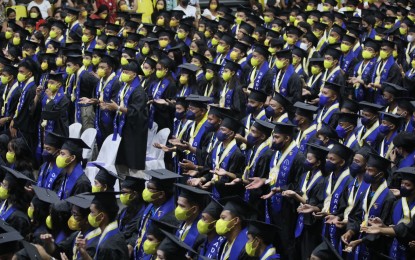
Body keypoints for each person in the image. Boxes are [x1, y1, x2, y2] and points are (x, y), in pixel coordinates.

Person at [341, 153, 395, 259]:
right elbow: (356, 216)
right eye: (366, 170)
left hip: (376, 248)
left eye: (370, 171)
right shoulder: (365, 192)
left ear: (380, 174)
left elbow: (383, 228)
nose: (367, 173)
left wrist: (361, 241)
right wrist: (350, 231)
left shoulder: (389, 197)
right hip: (359, 239)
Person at [133, 169, 181, 259]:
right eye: (147, 187)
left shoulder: (170, 216)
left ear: (161, 194)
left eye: (150, 188)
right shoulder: (151, 205)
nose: (146, 191)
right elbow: (139, 229)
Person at [112, 60, 148, 173]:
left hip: (134, 130)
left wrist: (118, 108)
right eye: (123, 71)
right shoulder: (125, 87)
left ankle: (133, 186)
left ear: (134, 74)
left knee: (132, 162)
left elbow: (135, 111)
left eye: (127, 72)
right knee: (122, 160)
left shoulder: (139, 91)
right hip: (125, 127)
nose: (124, 74)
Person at [76, 192, 129, 259]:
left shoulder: (108, 246)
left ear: (101, 216)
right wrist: (84, 253)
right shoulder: (115, 234)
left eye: (92, 212)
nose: (89, 215)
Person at [0, 166, 33, 237]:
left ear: (13, 190)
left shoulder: (20, 217)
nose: (1, 187)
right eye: (2, 183)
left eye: (4, 185)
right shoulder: (4, 203)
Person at [118, 176, 146, 246]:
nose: (122, 195)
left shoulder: (144, 212)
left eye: (124, 192)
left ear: (135, 194)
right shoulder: (125, 210)